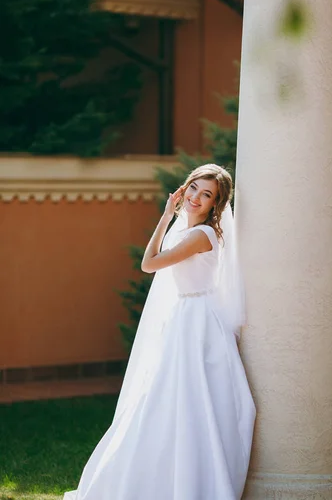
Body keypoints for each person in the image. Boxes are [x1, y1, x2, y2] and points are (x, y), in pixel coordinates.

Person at [64, 164, 255, 500]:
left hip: (199, 323)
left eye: (206, 194)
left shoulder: (202, 235)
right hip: (185, 317)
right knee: (167, 398)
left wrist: (165, 216)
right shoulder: (187, 228)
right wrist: (170, 216)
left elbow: (148, 264)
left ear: (216, 205)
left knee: (193, 402)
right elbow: (153, 261)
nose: (196, 197)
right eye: (194, 188)